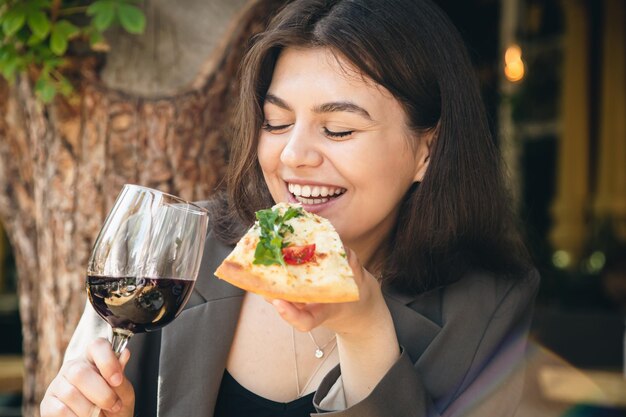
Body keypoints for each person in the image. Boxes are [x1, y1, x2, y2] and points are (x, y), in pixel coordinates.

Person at [41, 0, 539, 416]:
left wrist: (365, 332)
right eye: (276, 123)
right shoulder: (170, 252)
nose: (294, 155)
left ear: (426, 152)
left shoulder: (488, 305)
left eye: (339, 129)